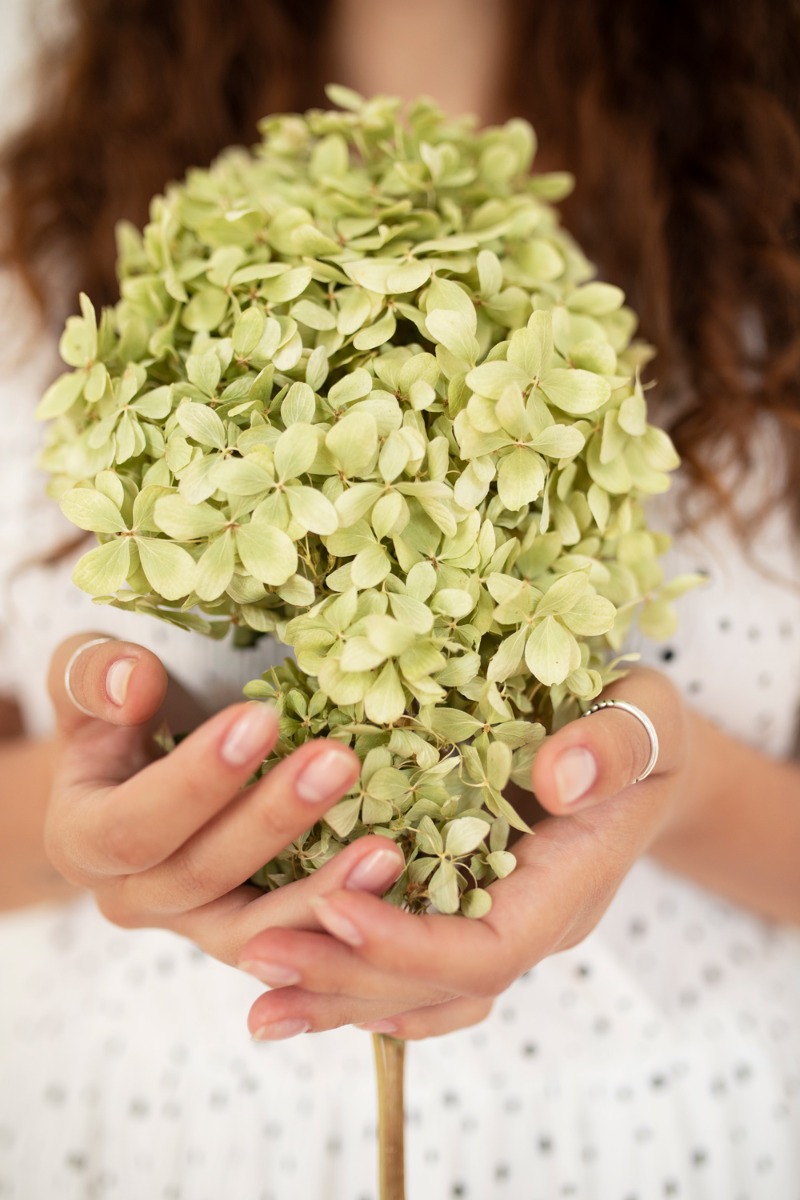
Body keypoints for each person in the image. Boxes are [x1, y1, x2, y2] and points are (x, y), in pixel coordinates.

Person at [1, 1, 799, 1197]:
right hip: (161, 1128)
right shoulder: (43, 190)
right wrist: (98, 832)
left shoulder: (774, 179)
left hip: (661, 1132)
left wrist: (674, 797)